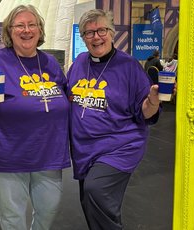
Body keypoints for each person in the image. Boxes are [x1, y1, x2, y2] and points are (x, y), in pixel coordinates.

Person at [0, 4, 70, 230]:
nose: (26, 30)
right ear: (9, 32)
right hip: (9, 153)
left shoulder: (50, 63)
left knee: (49, 208)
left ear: (40, 30)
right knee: (13, 216)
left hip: (48, 151)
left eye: (32, 25)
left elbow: (65, 95)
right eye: (19, 25)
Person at [67, 9, 161, 229]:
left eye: (101, 30)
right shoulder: (79, 63)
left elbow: (145, 111)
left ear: (111, 32)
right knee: (91, 204)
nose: (96, 37)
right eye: (89, 33)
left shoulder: (128, 66)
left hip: (119, 146)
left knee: (96, 191)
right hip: (84, 148)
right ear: (83, 38)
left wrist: (154, 101)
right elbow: (68, 96)